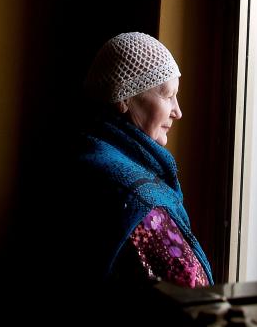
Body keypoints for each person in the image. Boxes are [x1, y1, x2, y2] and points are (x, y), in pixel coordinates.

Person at [76, 32, 213, 288]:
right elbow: (192, 287)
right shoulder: (139, 200)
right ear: (125, 98)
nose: (178, 111)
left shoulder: (85, 154)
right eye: (167, 95)